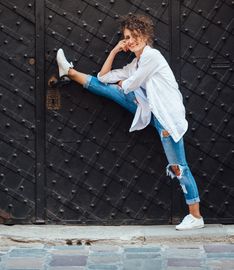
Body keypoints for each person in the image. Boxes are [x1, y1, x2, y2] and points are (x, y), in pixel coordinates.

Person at [56, 14, 204, 230]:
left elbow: (131, 84)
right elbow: (103, 76)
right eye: (127, 37)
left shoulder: (153, 57)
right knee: (106, 86)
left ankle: (196, 216)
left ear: (145, 36)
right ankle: (69, 72)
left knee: (178, 166)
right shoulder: (135, 63)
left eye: (135, 35)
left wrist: (123, 84)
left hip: (166, 118)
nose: (131, 40)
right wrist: (115, 51)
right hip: (150, 111)